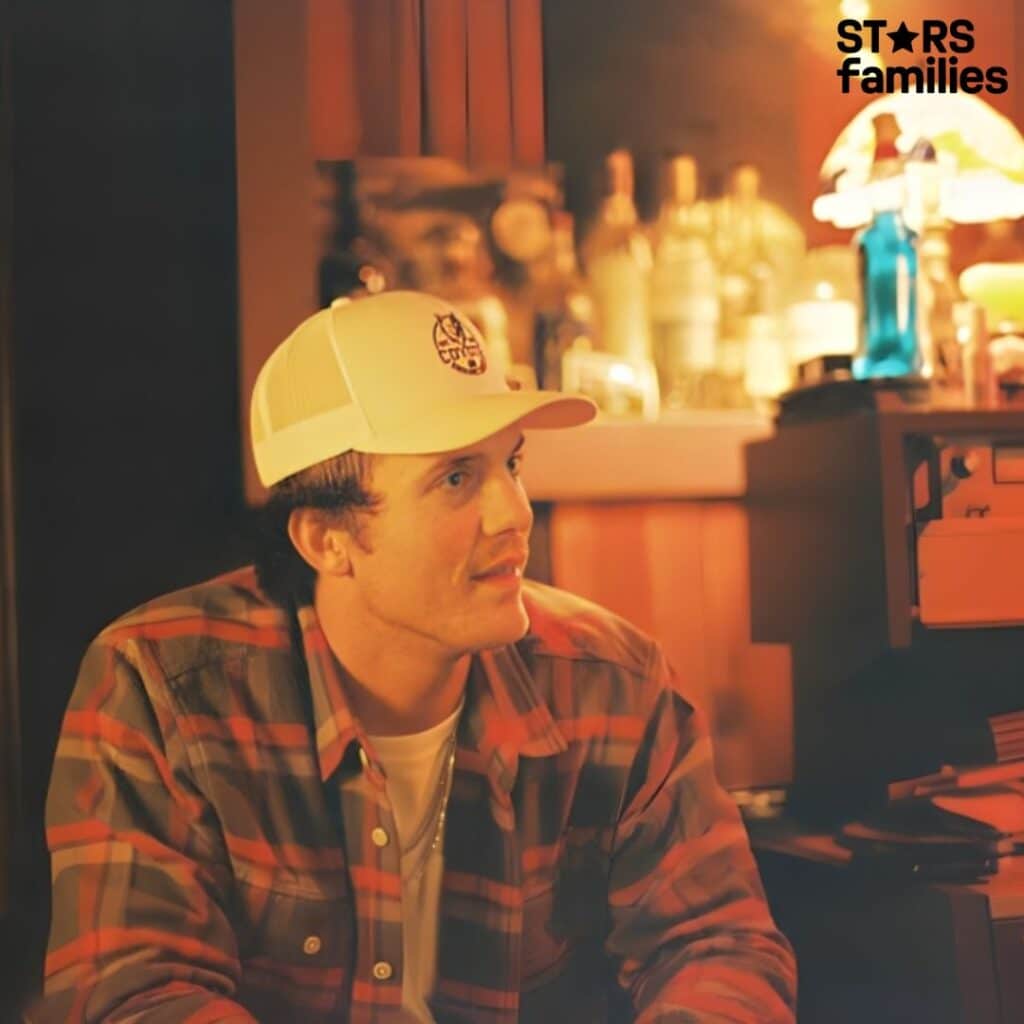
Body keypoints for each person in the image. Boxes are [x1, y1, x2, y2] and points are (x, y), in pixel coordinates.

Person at [32, 291, 796, 1022]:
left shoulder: (613, 684)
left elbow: (716, 946)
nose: (515, 512)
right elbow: (136, 995)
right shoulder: (161, 688)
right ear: (328, 540)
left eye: (512, 464)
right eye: (457, 478)